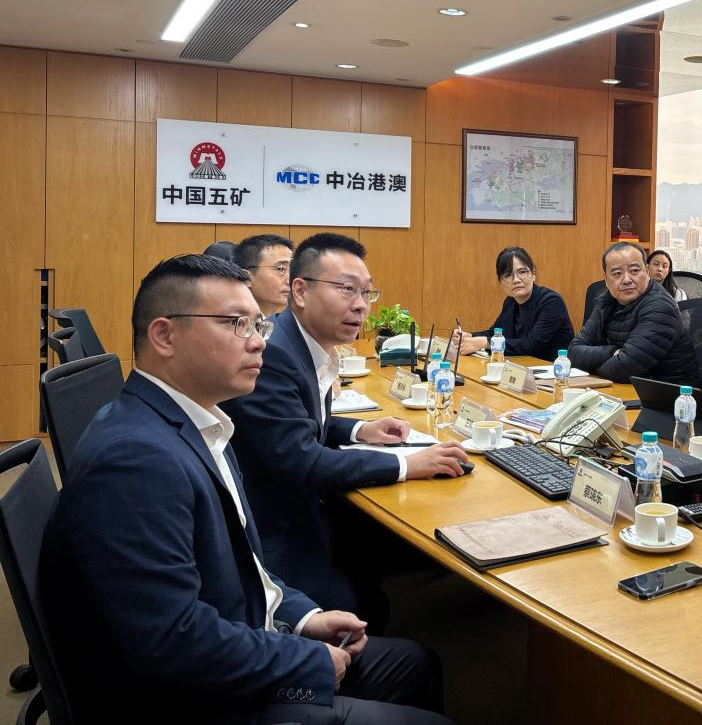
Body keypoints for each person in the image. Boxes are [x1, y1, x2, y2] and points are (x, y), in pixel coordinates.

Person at [41, 254, 449, 725]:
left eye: (259, 325)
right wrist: (308, 660)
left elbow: (242, 563)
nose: (258, 342)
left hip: (244, 634)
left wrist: (303, 618)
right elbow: (171, 641)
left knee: (417, 663)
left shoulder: (201, 420)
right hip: (200, 700)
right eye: (236, 324)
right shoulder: (136, 461)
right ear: (165, 336)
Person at [223, 233, 469, 619]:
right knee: (380, 585)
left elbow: (302, 421)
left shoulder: (299, 340)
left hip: (305, 515)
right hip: (280, 541)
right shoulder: (275, 355)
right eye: (346, 289)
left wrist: (359, 431)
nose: (361, 305)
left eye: (366, 293)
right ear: (300, 291)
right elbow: (301, 459)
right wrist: (407, 465)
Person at [568, 242, 698, 385]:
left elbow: (623, 370)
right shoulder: (606, 300)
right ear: (605, 278)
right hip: (624, 387)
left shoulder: (660, 307)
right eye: (617, 274)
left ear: (647, 272)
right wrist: (613, 352)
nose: (626, 280)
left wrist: (590, 363)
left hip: (666, 393)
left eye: (634, 271)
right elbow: (573, 352)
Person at [453, 246, 575, 361]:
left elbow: (532, 345)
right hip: (522, 368)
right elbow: (494, 333)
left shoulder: (552, 302)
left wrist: (486, 342)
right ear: (501, 283)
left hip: (553, 371)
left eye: (522, 272)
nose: (516, 280)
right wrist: (469, 336)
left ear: (533, 274)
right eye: (508, 275)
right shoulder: (511, 301)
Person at [235, 232, 295, 318]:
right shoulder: (234, 323)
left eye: (292, 269)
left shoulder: (278, 322)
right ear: (247, 278)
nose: (290, 280)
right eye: (281, 269)